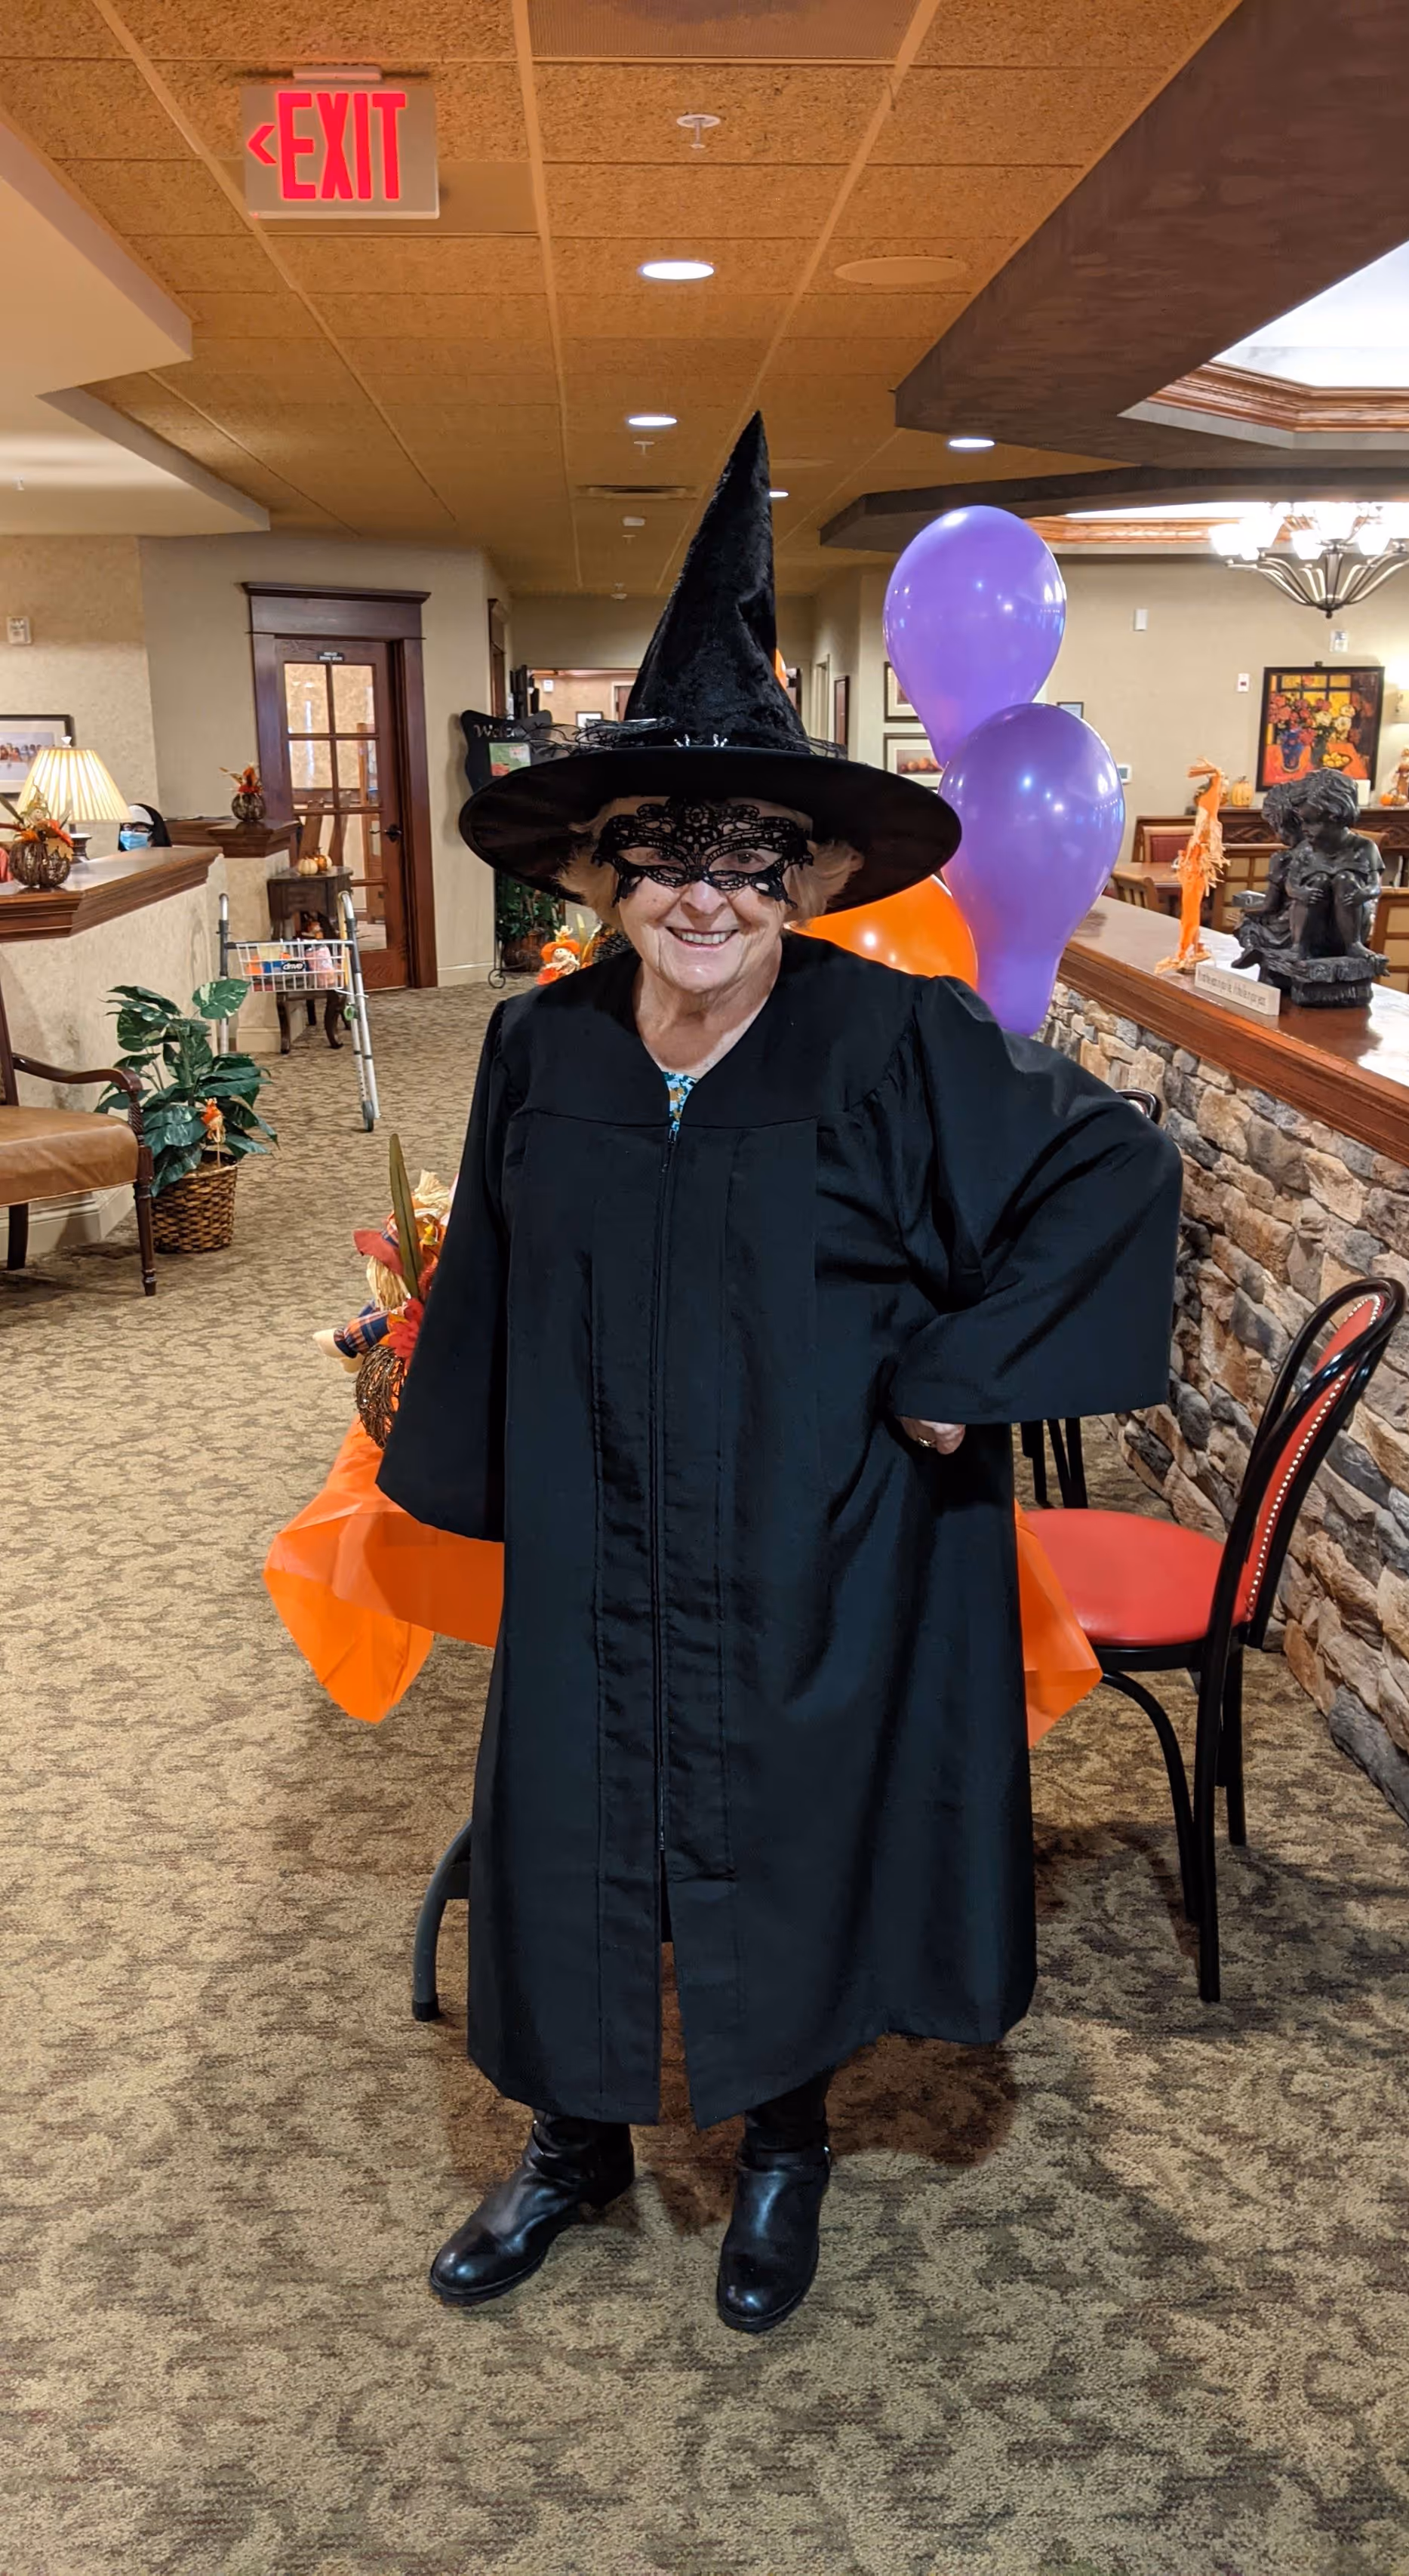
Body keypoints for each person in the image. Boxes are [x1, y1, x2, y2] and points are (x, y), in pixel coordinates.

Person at [379, 417, 1181, 2333]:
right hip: (594, 1514)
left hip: (818, 1523)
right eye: (662, 857)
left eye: (750, 858)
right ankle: (570, 2140)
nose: (705, 895)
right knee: (571, 1817)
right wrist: (470, 1471)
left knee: (792, 1817)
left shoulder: (894, 1039)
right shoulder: (542, 1051)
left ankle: (785, 2145)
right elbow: (487, 1262)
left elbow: (1113, 1164)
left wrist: (962, 1368)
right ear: (598, 869)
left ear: (812, 869)